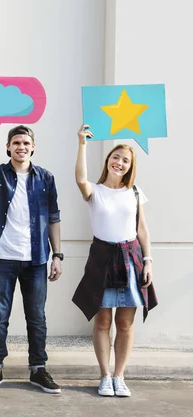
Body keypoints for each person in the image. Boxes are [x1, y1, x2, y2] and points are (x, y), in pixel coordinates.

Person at [0, 114, 63, 394]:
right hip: (3, 257)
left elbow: (54, 218)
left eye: (25, 142)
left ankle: (38, 370)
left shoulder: (45, 178)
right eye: (16, 142)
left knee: (36, 316)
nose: (21, 146)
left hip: (36, 259)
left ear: (32, 147)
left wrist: (57, 254)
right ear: (8, 147)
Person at [72, 124, 158, 397]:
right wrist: (82, 144)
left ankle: (120, 376)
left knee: (125, 324)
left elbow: (142, 228)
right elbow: (80, 178)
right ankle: (104, 375)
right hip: (102, 259)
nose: (119, 163)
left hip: (131, 260)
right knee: (102, 323)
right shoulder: (94, 191)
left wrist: (148, 260)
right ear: (108, 160)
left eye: (125, 160)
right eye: (116, 157)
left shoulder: (134, 192)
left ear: (129, 167)